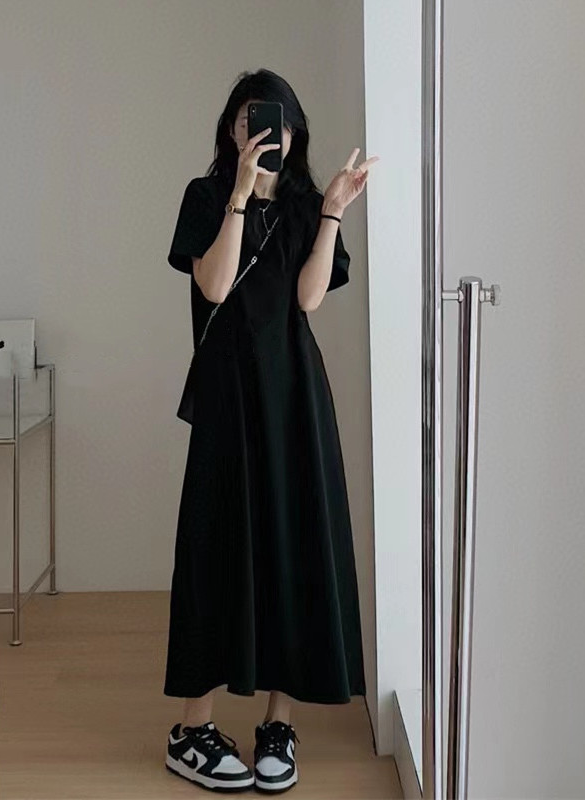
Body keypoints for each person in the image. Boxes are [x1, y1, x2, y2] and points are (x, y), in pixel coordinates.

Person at [163, 68, 378, 794]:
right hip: (228, 399)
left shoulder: (307, 207)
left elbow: (309, 298)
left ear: (294, 133)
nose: (264, 132)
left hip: (293, 399)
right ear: (232, 128)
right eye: (251, 119)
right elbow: (215, 286)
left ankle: (277, 724)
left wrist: (333, 212)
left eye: (277, 122)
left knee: (292, 547)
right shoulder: (204, 197)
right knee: (215, 548)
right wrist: (239, 194)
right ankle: (191, 730)